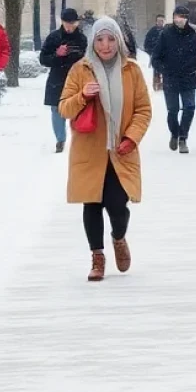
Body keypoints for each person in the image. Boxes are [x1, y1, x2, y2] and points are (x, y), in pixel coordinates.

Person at [59, 18, 152, 281]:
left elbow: (144, 110)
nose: (105, 45)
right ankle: (97, 257)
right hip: (90, 151)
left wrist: (132, 138)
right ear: (93, 42)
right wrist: (82, 96)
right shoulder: (80, 70)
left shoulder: (131, 71)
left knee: (118, 205)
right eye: (100, 39)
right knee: (92, 204)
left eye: (111, 39)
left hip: (121, 151)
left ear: (119, 41)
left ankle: (119, 237)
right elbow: (64, 108)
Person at [152, 5, 196, 154]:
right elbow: (156, 57)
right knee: (172, 110)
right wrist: (164, 70)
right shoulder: (166, 35)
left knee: (189, 108)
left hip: (188, 78)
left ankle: (183, 137)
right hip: (171, 78)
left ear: (187, 18)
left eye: (183, 16)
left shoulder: (193, 36)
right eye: (177, 16)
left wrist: (190, 67)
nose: (179, 19)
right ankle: (174, 133)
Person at [39, 8, 88, 153]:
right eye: (67, 23)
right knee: (57, 109)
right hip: (58, 78)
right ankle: (60, 140)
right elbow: (43, 59)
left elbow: (88, 59)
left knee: (79, 108)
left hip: (78, 79)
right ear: (62, 21)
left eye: (73, 23)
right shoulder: (54, 37)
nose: (70, 26)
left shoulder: (82, 39)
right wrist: (57, 54)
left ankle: (80, 137)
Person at [143, 15, 165, 90]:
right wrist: (151, 52)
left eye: (161, 21)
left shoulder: (166, 31)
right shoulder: (152, 32)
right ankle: (156, 85)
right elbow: (146, 44)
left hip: (164, 55)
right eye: (159, 21)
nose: (160, 22)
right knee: (156, 70)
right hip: (155, 55)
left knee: (165, 71)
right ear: (156, 22)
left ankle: (164, 85)